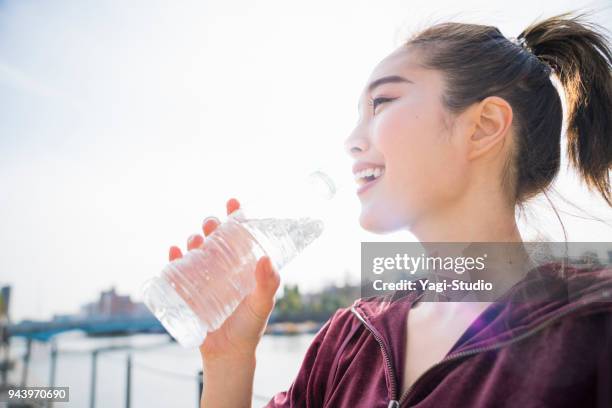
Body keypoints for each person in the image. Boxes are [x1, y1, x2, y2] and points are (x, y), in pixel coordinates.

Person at [169, 11, 612, 407]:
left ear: (484, 127)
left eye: (382, 103)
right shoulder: (348, 340)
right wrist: (230, 361)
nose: (352, 140)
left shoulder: (593, 325)